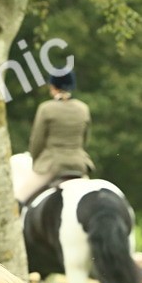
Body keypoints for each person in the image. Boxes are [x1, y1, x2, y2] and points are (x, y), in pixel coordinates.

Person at [17, 71, 94, 203]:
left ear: (53, 87)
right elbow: (85, 140)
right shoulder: (83, 108)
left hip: (52, 165)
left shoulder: (46, 108)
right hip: (78, 165)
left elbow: (37, 142)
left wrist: (36, 162)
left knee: (19, 198)